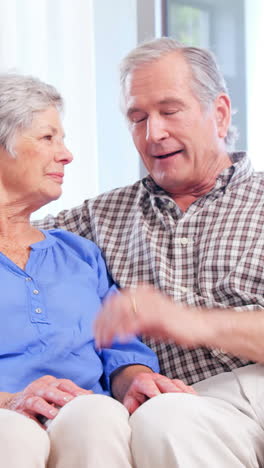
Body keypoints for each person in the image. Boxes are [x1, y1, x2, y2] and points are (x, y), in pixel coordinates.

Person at [36, 37, 264, 467]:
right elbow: (12, 235)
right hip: (188, 407)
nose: (153, 133)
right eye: (137, 117)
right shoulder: (97, 218)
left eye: (169, 111)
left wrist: (190, 322)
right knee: (164, 419)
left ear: (219, 113)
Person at [0, 73, 196, 468]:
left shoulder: (78, 252)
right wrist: (10, 400)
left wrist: (135, 378)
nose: (66, 154)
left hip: (87, 410)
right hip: (6, 418)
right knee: (13, 435)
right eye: (47, 137)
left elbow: (121, 350)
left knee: (97, 416)